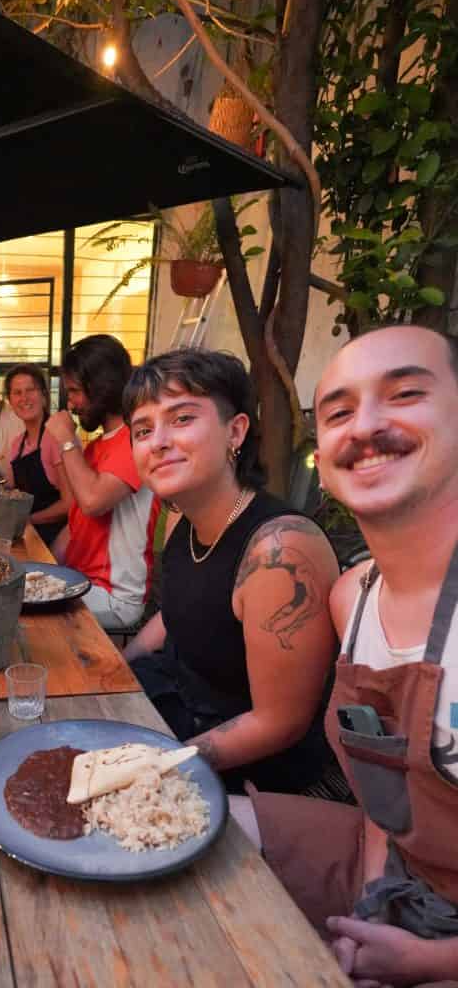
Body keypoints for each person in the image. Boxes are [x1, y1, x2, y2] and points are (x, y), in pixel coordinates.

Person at [230, 326, 458, 986]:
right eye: (337, 412)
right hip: (387, 867)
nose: (365, 425)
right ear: (322, 464)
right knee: (186, 827)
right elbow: (388, 787)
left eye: (405, 393)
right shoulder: (350, 597)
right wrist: (372, 902)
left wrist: (425, 960)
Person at [122, 349, 341, 794]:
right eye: (143, 429)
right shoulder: (184, 516)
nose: (157, 441)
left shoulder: (279, 549)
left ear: (235, 431)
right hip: (176, 698)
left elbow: (279, 722)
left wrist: (162, 767)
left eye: (182, 418)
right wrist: (117, 669)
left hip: (253, 760)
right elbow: (180, 613)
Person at [44, 334, 159, 631]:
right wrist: (42, 567)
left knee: (25, 615)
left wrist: (67, 439)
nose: (70, 403)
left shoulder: (135, 439)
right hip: (82, 582)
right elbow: (74, 527)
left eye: (74, 391)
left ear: (101, 387)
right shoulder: (96, 448)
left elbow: (93, 502)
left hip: (114, 596)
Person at [3, 363, 72, 547]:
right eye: (17, 393)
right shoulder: (17, 444)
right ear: (10, 401)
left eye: (30, 390)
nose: (24, 398)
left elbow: (69, 504)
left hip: (59, 538)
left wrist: (29, 519)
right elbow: (11, 490)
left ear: (43, 395)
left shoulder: (56, 437)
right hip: (30, 536)